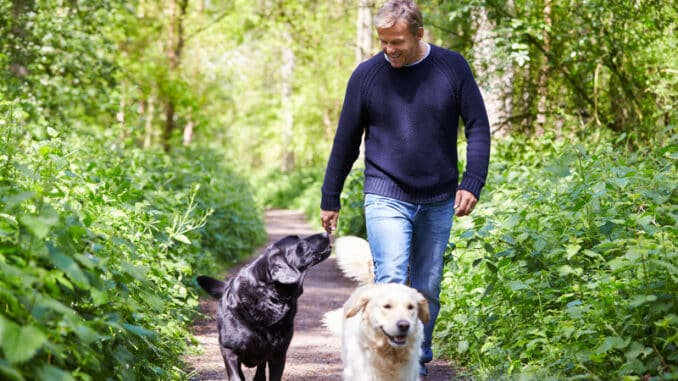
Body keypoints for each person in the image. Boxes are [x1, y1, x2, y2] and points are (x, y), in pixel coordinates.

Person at [320, 0, 491, 376]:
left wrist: (473, 181)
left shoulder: (451, 68)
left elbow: (477, 125)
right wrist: (330, 196)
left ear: (418, 34)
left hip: (439, 195)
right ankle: (381, 361)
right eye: (383, 42)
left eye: (397, 42)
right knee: (392, 282)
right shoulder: (366, 76)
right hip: (385, 193)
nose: (389, 50)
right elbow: (346, 140)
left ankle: (417, 359)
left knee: (427, 286)